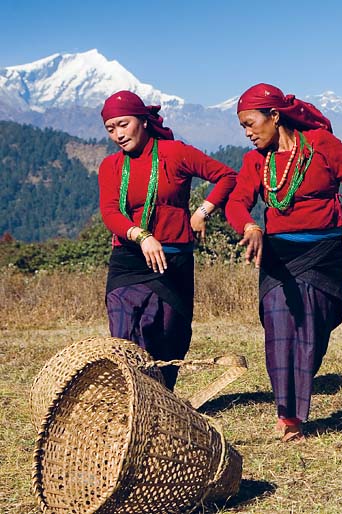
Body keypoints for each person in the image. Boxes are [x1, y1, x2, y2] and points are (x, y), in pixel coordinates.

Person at [225, 83, 342, 442]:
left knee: (313, 329)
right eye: (242, 127)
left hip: (322, 253)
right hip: (278, 255)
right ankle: (288, 414)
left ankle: (297, 393)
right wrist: (249, 225)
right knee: (280, 326)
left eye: (251, 124)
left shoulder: (321, 146)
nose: (248, 133)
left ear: (275, 117)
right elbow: (236, 203)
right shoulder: (254, 161)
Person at [98, 90, 237, 390]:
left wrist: (202, 211)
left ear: (144, 121)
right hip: (128, 261)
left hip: (173, 261)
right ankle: (131, 398)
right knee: (125, 334)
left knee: (168, 335)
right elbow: (110, 212)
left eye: (123, 124)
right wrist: (142, 235)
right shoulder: (110, 167)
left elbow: (227, 176)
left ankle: (161, 399)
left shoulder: (176, 153)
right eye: (111, 129)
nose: (118, 135)